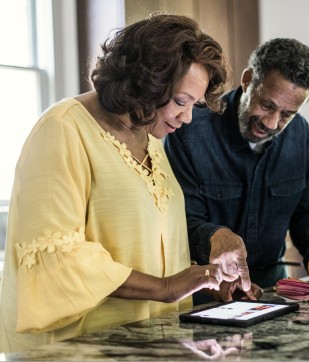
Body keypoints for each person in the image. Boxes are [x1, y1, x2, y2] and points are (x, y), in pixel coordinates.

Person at [0, 13, 260, 354]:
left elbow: (148, 245)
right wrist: (166, 287)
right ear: (144, 82)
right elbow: (60, 258)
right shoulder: (62, 129)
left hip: (149, 344)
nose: (186, 117)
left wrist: (204, 283)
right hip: (78, 348)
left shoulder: (150, 137)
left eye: (193, 106)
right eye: (181, 102)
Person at [165, 37, 309, 295]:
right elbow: (183, 221)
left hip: (273, 287)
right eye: (267, 105)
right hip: (207, 290)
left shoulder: (299, 134)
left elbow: (306, 212)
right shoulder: (189, 131)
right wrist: (218, 236)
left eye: (287, 115)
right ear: (247, 80)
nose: (271, 122)